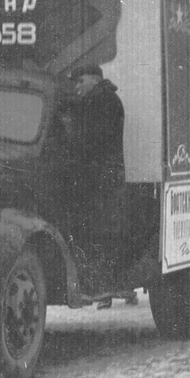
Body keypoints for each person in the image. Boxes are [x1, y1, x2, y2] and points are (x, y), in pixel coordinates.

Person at [64, 63, 127, 307]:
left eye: (80, 82)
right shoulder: (104, 100)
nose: (77, 87)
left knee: (99, 232)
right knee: (101, 231)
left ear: (93, 79)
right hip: (104, 177)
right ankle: (102, 286)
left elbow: (90, 141)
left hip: (102, 179)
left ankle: (101, 286)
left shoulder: (102, 102)